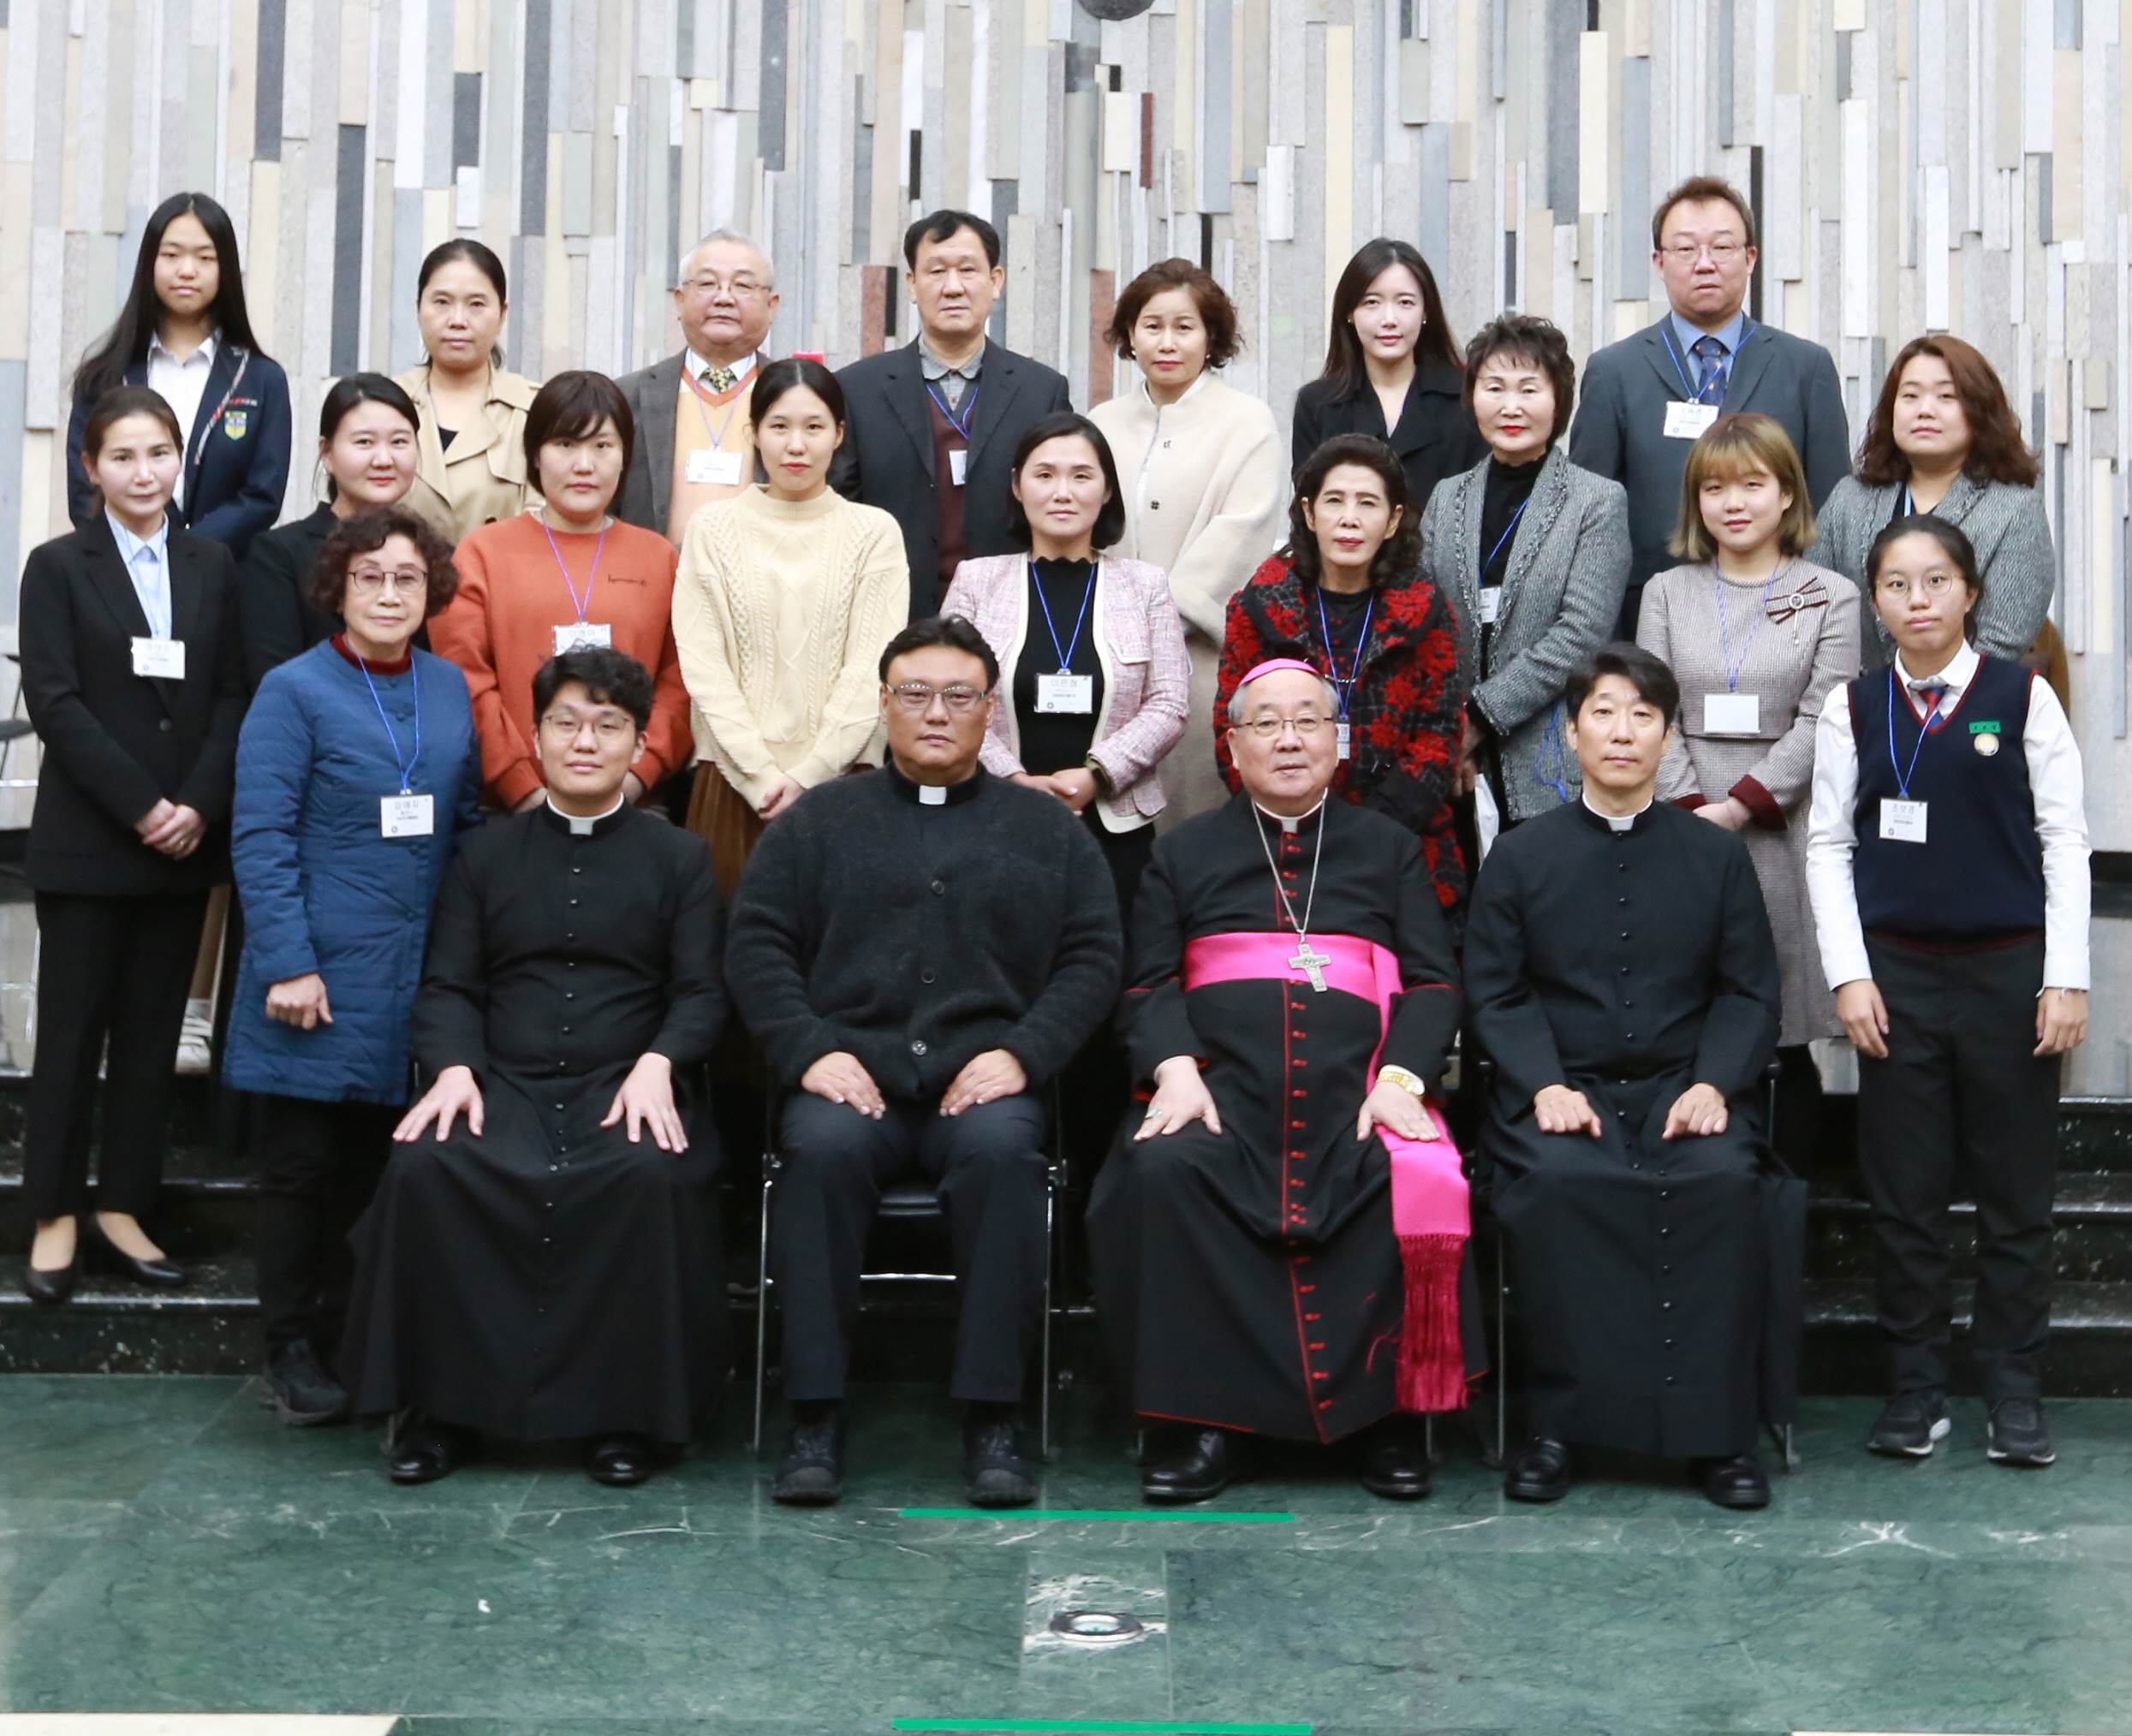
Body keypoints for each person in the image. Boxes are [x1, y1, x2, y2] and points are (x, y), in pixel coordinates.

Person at [724, 619, 1123, 1510]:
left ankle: (992, 1416)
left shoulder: (1045, 828)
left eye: (958, 696)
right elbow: (757, 946)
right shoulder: (819, 819)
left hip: (985, 1082)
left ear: (990, 710)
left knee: (1004, 1158)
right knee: (818, 1154)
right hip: (848, 1077)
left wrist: (1024, 1052)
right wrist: (809, 1049)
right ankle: (815, 1414)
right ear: (883, 705)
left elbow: (1094, 956)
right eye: (915, 694)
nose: (935, 713)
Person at [346, 649, 725, 1488]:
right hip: (503, 1082)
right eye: (566, 723)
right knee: (427, 1167)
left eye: (608, 726)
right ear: (535, 735)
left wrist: (660, 1062)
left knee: (646, 1175)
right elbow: (449, 984)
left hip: (623, 1083)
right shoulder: (484, 857)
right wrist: (454, 1069)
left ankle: (626, 1419)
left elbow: (701, 992)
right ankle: (441, 1414)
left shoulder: (681, 860)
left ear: (640, 742)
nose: (585, 742)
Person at [1099, 658, 1467, 1507]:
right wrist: (1175, 1071)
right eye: (1266, 723)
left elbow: (1435, 981)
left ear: (1340, 741)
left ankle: (1385, 1421)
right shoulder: (1185, 851)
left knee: (1400, 1170)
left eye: (1308, 720)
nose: (1290, 739)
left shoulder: (1387, 848)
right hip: (1220, 1097)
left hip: (1359, 1097)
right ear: (1233, 745)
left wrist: (1400, 1080)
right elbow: (1146, 983)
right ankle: (1205, 1425)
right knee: (1163, 1170)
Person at [1466, 641, 1789, 1509]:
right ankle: (1556, 1432)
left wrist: (1714, 1084)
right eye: (1602, 714)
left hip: (1687, 1091)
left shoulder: (1715, 856)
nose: (1621, 732)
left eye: (1642, 716)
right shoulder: (1520, 856)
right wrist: (1543, 1085)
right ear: (1570, 734)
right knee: (1560, 1183)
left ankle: (1720, 1437)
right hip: (1560, 1092)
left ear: (1666, 736)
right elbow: (1495, 991)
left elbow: (1749, 990)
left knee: (1722, 1182)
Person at [1807, 514, 2091, 1471]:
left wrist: (2065, 977)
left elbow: (2065, 842)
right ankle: (1916, 1390)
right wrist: (1848, 975)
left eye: (1936, 581)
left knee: (2016, 1198)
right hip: (1895, 982)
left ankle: (2013, 1391)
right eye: (1896, 584)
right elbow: (1828, 847)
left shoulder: (2023, 696)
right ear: (1875, 601)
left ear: (1970, 593)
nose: (1917, 600)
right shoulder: (1851, 707)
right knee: (1906, 1196)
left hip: (2010, 975)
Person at [223, 502, 473, 1426]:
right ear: (338, 587)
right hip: (316, 972)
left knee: (380, 1169)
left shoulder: (447, 687)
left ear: (431, 591)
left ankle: (363, 1343)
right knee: (301, 1170)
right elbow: (261, 836)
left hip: (412, 967)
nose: (389, 594)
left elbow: (465, 825)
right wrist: (288, 962)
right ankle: (291, 1349)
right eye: (370, 577)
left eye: (408, 578)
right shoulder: (292, 690)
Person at [13, 386, 247, 1304]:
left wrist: (196, 804)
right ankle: (54, 1212)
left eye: (159, 454)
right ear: (91, 468)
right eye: (123, 457)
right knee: (71, 1037)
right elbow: (55, 701)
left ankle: (124, 1207)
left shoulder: (212, 562)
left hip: (183, 844)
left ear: (179, 459)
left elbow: (231, 694)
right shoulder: (57, 567)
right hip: (90, 840)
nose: (144, 473)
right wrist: (143, 804)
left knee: (152, 1041)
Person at [1641, 414, 1860, 1059]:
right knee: (1683, 1001)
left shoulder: (1832, 595)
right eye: (1714, 488)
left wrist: (1739, 807)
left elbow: (1825, 716)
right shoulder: (1665, 591)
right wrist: (1693, 812)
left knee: (1782, 1019)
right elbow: (1651, 711)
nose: (1732, 503)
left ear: (1787, 493)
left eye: (1752, 485)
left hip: (1783, 816)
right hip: (1679, 817)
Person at [670, 360, 912, 884]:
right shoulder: (712, 529)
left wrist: (811, 775)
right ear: (754, 433)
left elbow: (873, 667)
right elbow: (704, 666)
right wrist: (760, 775)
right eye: (779, 426)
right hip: (733, 783)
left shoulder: (874, 533)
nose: (796, 445)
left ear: (839, 435)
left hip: (847, 781)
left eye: (814, 427)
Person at [1568, 176, 1850, 627]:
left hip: (1782, 617)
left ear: (1750, 257)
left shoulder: (1806, 367)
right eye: (1685, 249)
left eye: (1721, 247)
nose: (1704, 264)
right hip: (1648, 619)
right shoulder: (1613, 371)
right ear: (1659, 262)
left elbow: (1831, 512)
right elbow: (1588, 518)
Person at [941, 414, 1192, 920]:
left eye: (1081, 476)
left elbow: (1169, 703)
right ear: (1018, 487)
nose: (1063, 492)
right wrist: (1012, 779)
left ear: (1107, 491)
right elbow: (947, 697)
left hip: (1114, 826)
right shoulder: (976, 581)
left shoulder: (1145, 586)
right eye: (1045, 475)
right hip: (991, 817)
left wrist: (1098, 775)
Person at [1216, 435, 1472, 919]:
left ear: (1393, 520)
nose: (1349, 518)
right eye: (1334, 501)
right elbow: (1232, 727)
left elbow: (1439, 736)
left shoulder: (1427, 610)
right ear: (1309, 514)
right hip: (1282, 843)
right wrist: (1299, 819)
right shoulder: (1259, 606)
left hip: (1403, 841)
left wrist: (1367, 832)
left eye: (1367, 503)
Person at [1414, 312, 1634, 841]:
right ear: (1473, 398)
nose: (1510, 406)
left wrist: (1479, 717)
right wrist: (1450, 729)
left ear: (1558, 401)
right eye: (1494, 388)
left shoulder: (1596, 501)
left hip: (1550, 755)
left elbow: (1580, 635)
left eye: (1529, 389)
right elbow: (1423, 617)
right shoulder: (1447, 497)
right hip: (1453, 762)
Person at [432, 369, 693, 812]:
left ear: (625, 456)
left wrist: (636, 778)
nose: (584, 465)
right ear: (535, 454)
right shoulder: (482, 554)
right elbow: (464, 681)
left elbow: (681, 682)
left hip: (633, 809)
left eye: (602, 446)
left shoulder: (659, 558)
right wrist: (520, 788)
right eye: (565, 444)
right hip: (510, 810)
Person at [1096, 258, 1289, 833]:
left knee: (1191, 821)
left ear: (1211, 337)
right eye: (1152, 326)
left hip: (1200, 657)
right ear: (1130, 335)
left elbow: (1242, 531)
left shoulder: (1247, 422)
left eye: (1185, 327)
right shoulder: (1101, 422)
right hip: (1105, 655)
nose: (1167, 342)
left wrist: (1155, 622)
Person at [833, 208, 1077, 622]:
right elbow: (840, 514)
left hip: (1012, 618)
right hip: (889, 617)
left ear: (995, 281)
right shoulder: (856, 389)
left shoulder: (1042, 392)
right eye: (936, 271)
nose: (953, 287)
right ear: (912, 284)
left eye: (967, 270)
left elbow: (1060, 514)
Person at [1814, 332, 2061, 675]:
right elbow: (1816, 611)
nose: (1925, 410)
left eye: (1946, 396)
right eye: (1910, 396)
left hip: (1968, 700)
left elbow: (2000, 642)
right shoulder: (1849, 499)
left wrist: (1922, 694)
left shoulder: (2014, 509)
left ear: (1979, 411)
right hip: (1856, 698)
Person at [63, 192, 294, 551]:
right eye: (171, 255)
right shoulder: (104, 376)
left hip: (226, 572)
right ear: (149, 263)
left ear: (226, 269)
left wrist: (187, 554)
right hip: (120, 570)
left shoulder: (262, 379)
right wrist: (143, 552)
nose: (187, 270)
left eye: (205, 258)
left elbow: (263, 495)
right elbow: (84, 489)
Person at [237, 374, 426, 685]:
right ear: (327, 453)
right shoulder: (279, 555)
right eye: (364, 442)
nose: (384, 459)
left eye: (399, 442)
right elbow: (273, 679)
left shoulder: (427, 552)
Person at [1288, 237, 1483, 505]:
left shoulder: (1467, 398)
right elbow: (1308, 509)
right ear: (1349, 313)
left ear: (1426, 311)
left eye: (1405, 303)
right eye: (1372, 302)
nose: (1389, 320)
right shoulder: (1316, 404)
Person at [615, 232, 779, 543]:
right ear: (679, 300)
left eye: (743, 286)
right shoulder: (626, 397)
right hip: (655, 571)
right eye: (707, 283)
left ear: (772, 306)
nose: (724, 298)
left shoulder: (797, 397)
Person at [399, 239, 540, 545]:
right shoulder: (385, 404)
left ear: (502, 314)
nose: (458, 321)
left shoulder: (537, 410)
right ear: (418, 308)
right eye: (441, 302)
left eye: (476, 304)